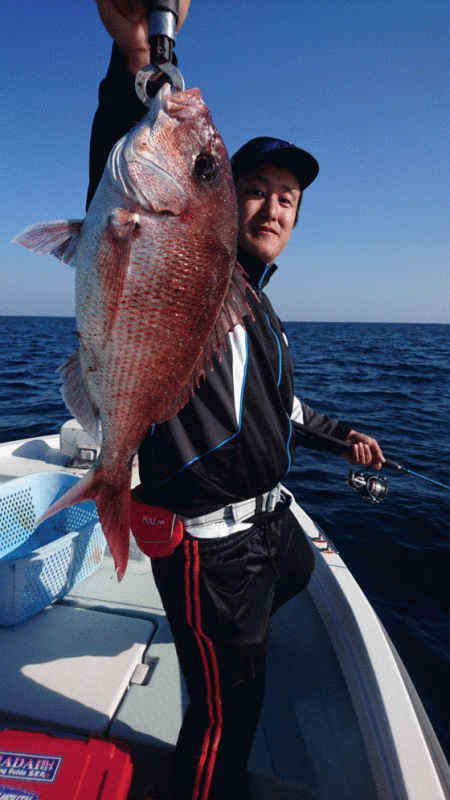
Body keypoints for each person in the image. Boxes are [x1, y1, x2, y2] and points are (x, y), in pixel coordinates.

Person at [90, 3, 385, 799]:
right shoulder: (199, 268)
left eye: (288, 198)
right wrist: (131, 61)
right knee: (229, 722)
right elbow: (123, 191)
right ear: (217, 204)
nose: (273, 208)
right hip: (208, 550)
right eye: (253, 190)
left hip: (270, 525)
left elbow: (277, 411)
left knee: (292, 577)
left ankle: (225, 643)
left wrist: (338, 435)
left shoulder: (262, 308)